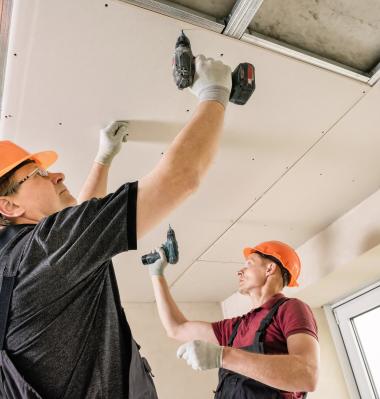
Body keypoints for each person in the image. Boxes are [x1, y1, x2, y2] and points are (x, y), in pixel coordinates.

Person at [0, 55, 232, 398]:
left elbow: (81, 235)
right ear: (9, 205)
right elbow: (180, 179)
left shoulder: (15, 263)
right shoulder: (45, 250)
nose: (58, 174)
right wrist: (215, 93)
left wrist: (103, 159)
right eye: (39, 174)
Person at [149, 241, 320, 398]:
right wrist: (157, 275)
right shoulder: (236, 327)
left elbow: (307, 374)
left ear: (269, 269)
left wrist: (224, 355)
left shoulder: (290, 309)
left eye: (249, 264)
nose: (239, 271)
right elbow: (177, 328)